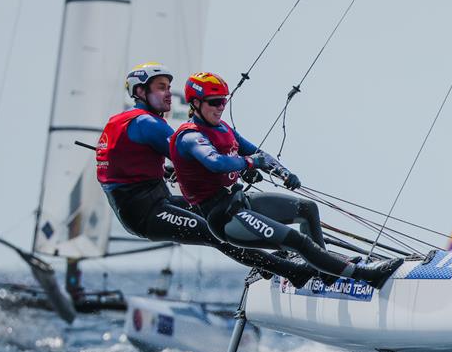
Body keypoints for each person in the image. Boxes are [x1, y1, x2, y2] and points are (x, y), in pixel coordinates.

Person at [169, 72, 403, 289]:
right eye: (214, 102)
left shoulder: (223, 128)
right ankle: (368, 277)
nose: (220, 107)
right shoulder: (190, 136)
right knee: (296, 241)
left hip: (240, 201)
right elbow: (216, 163)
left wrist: (283, 172)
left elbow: (258, 153)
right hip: (224, 218)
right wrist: (249, 163)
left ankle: (326, 272)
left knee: (307, 209)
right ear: (196, 103)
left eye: (224, 101)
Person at [96, 62, 321, 287]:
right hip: (146, 214)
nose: (168, 94)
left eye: (168, 87)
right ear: (140, 92)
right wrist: (242, 166)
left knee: (219, 215)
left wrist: (168, 170)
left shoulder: (124, 120)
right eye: (161, 87)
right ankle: (293, 272)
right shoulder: (148, 123)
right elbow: (194, 159)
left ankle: (270, 263)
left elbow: (128, 166)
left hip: (151, 201)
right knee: (215, 233)